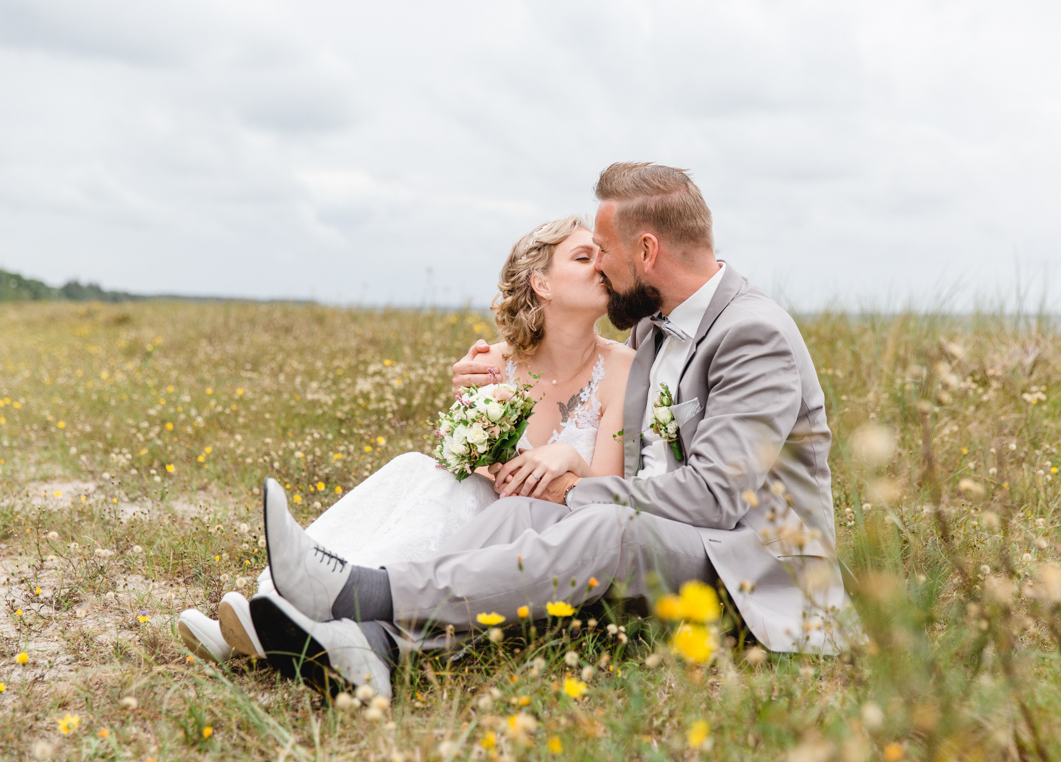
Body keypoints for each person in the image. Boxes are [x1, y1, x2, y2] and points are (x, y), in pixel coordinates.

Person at [254, 162, 853, 700]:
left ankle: (361, 595)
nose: (602, 271)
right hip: (673, 543)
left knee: (604, 527)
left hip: (751, 568)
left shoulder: (754, 335)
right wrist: (487, 395)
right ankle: (372, 646)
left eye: (604, 253)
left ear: (645, 253)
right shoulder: (651, 329)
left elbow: (713, 500)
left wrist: (572, 489)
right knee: (521, 517)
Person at [176, 215, 636, 692]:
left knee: (467, 498)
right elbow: (467, 459)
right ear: (541, 283)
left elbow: (607, 497)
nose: (600, 267)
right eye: (584, 258)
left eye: (600, 257)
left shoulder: (622, 368)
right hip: (489, 507)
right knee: (416, 468)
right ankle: (266, 603)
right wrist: (477, 440)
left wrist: (568, 456)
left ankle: (304, 615)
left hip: (540, 537)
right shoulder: (494, 364)